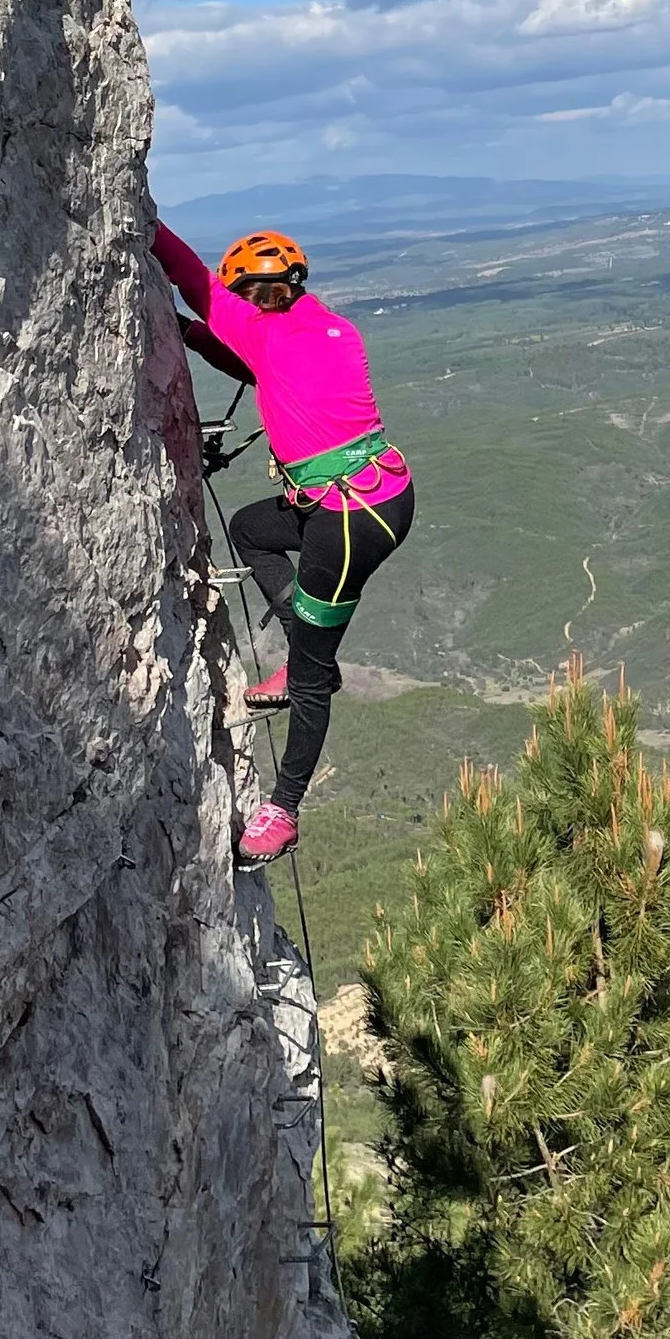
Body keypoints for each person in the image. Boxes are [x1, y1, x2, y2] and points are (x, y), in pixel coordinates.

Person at [153, 218, 414, 863]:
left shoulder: (260, 329)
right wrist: (193, 336)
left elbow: (191, 276)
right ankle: (303, 646)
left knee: (312, 681)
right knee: (249, 530)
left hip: (349, 520)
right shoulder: (330, 328)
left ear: (250, 294)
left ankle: (286, 808)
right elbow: (250, 359)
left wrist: (146, 215)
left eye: (249, 296)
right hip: (372, 497)